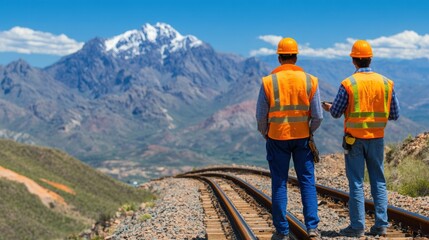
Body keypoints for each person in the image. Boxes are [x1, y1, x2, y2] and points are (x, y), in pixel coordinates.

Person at [322, 40, 400, 237]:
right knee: (379, 181)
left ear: (354, 61)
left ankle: (357, 227)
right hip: (377, 138)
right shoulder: (386, 83)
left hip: (354, 139)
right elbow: (394, 114)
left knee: (356, 182)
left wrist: (330, 107)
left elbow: (337, 112)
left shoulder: (348, 84)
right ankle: (381, 224)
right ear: (370, 58)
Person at [256, 37, 323, 240]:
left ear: (279, 57)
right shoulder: (311, 80)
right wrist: (309, 131)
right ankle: (312, 228)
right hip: (303, 138)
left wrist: (266, 132)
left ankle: (282, 232)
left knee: (279, 183)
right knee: (307, 181)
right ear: (295, 56)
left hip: (277, 138)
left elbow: (261, 115)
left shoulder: (268, 82)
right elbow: (318, 115)